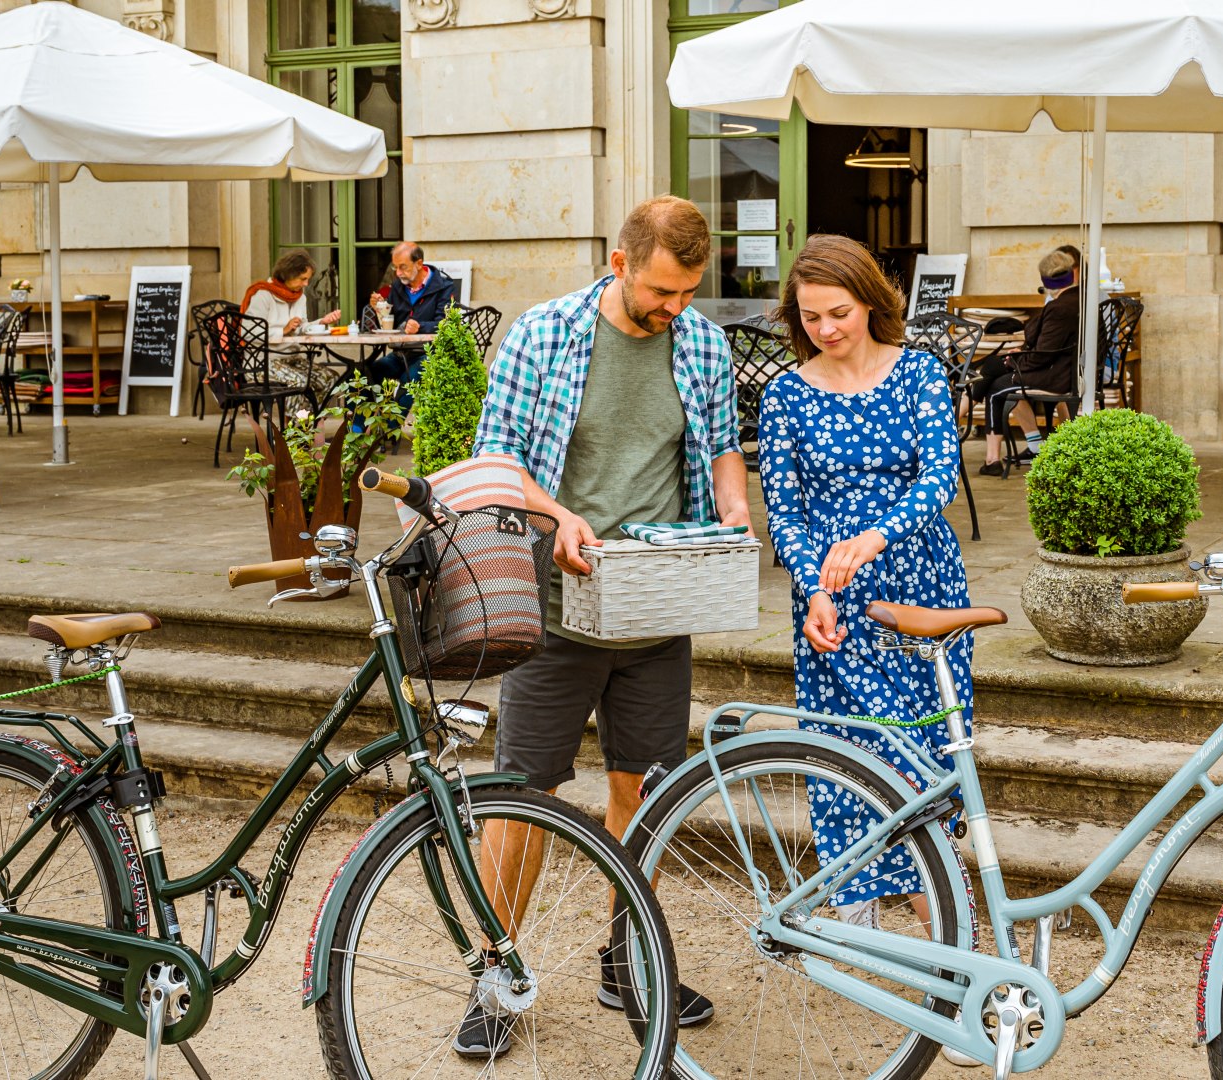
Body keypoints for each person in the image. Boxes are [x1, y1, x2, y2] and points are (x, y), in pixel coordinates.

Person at [458, 195, 748, 1058]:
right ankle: (496, 973)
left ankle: (627, 960)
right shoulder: (545, 334)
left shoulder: (701, 343)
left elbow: (723, 445)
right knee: (522, 798)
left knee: (643, 794)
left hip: (657, 612)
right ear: (619, 263)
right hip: (552, 615)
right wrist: (559, 519)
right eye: (663, 291)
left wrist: (732, 503)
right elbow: (496, 455)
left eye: (689, 292)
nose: (675, 309)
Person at [758, 233, 975, 1050]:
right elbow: (784, 504)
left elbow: (940, 477)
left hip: (919, 585)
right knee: (850, 750)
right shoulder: (785, 394)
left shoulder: (917, 370)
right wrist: (816, 583)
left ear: (869, 301)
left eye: (838, 313)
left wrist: (877, 537)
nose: (825, 328)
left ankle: (948, 942)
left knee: (928, 758)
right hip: (833, 600)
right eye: (809, 316)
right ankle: (859, 918)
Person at [969, 245, 1082, 472]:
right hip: (1065, 370)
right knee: (992, 368)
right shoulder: (1078, 300)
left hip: (1056, 376)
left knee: (993, 385)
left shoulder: (1060, 307)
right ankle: (964, 420)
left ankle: (988, 455)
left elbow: (1042, 355)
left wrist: (1014, 362)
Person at [366, 241, 460, 416]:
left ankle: (390, 431)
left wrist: (420, 326)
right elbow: (390, 325)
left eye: (403, 267)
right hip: (401, 354)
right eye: (395, 268)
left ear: (419, 263)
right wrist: (379, 308)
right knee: (367, 374)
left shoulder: (444, 287)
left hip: (431, 354)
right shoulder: (397, 287)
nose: (398, 273)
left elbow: (447, 323)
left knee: (410, 378)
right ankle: (356, 432)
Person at [241, 250, 340, 393]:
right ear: (288, 274)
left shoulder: (300, 297)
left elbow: (301, 327)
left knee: (330, 378)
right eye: (302, 279)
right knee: (299, 382)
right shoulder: (263, 295)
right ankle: (298, 416)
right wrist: (283, 331)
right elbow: (247, 333)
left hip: (291, 358)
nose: (306, 284)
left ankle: (310, 415)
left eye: (308, 279)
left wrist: (321, 322)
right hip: (261, 363)